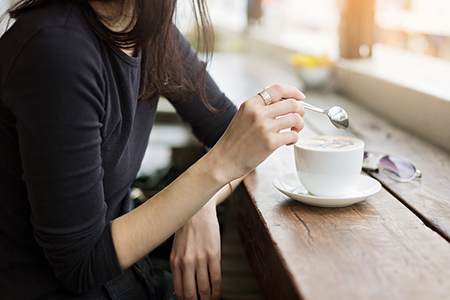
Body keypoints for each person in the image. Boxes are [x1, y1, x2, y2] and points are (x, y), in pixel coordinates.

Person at [0, 0, 305, 299]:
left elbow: (234, 136)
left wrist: (202, 202)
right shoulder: (58, 50)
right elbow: (80, 265)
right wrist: (215, 170)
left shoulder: (148, 31)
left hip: (123, 278)